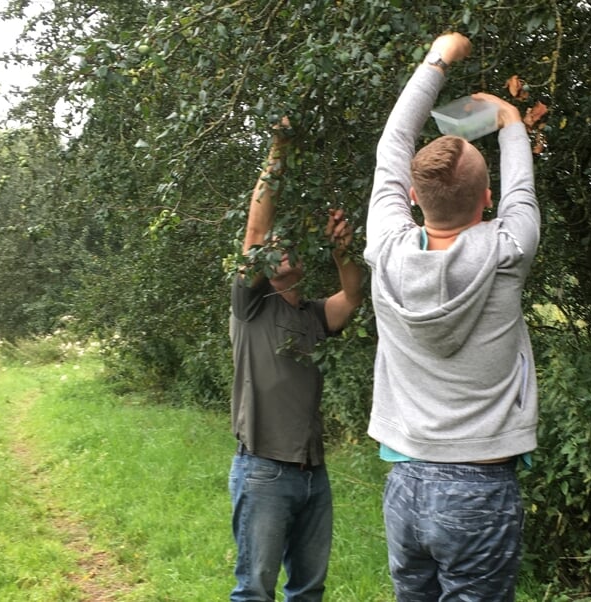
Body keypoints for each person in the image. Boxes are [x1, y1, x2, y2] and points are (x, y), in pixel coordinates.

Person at [364, 32, 541, 602]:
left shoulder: (384, 247)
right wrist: (510, 120)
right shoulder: (508, 249)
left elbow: (392, 144)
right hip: (481, 488)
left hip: (405, 485)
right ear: (488, 199)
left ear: (412, 197)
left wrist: (439, 58)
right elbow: (523, 186)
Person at [228, 120, 364, 602]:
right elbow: (256, 228)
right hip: (263, 469)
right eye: (274, 246)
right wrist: (279, 147)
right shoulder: (251, 308)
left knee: (309, 589)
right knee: (255, 590)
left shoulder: (313, 315)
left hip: (314, 473)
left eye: (291, 244)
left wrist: (342, 250)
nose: (279, 247)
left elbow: (352, 294)